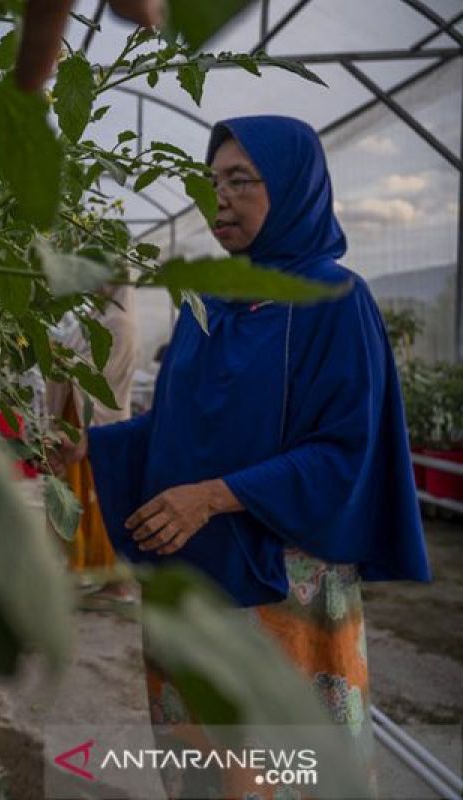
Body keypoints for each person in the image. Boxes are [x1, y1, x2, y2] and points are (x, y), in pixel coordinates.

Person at [80, 116, 432, 795]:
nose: (221, 201)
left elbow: (345, 451)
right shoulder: (207, 304)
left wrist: (213, 495)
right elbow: (175, 429)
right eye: (214, 183)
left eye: (242, 181)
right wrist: (86, 444)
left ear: (296, 187)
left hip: (284, 585)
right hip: (196, 579)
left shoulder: (335, 300)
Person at [45, 285, 139, 604]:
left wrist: (57, 356)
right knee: (80, 501)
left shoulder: (120, 323)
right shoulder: (98, 317)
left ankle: (116, 582)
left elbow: (102, 378)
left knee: (102, 503)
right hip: (78, 420)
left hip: (99, 422)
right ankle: (89, 572)